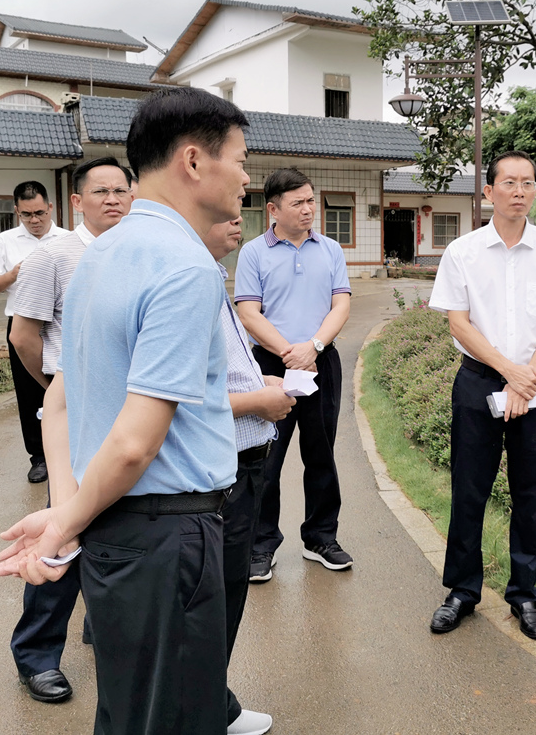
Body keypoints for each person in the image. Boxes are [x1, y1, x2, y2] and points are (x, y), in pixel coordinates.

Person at [0, 87, 251, 735]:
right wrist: (59, 530)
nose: (247, 178)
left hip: (117, 533)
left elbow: (59, 402)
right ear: (194, 161)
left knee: (132, 712)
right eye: (240, 159)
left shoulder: (98, 255)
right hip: (170, 538)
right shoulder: (186, 267)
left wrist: (70, 510)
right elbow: (137, 441)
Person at [426, 150, 536, 640]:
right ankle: (462, 591)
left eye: (528, 182)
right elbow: (459, 321)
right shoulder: (463, 252)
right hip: (479, 382)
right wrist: (508, 372)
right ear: (489, 191)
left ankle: (524, 594)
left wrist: (528, 376)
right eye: (510, 182)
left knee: (530, 492)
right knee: (469, 488)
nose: (520, 190)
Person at [6, 157, 134, 704]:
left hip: (129, 411)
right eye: (100, 191)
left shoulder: (135, 249)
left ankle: (98, 623)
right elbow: (23, 335)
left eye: (121, 190)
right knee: (65, 530)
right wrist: (60, 387)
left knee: (120, 525)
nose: (113, 199)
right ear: (77, 202)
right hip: (73, 409)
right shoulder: (53, 255)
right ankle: (35, 655)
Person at [201, 217, 296, 735]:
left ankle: (215, 701)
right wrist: (258, 400)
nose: (239, 217)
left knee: (228, 588)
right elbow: (178, 395)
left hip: (243, 459)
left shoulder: (215, 273)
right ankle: (207, 707)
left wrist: (260, 382)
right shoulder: (190, 277)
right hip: (223, 466)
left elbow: (222, 369)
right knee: (214, 595)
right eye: (228, 208)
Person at [234, 167, 352, 582]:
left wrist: (313, 347)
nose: (308, 210)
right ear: (273, 209)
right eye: (298, 203)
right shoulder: (253, 252)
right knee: (266, 459)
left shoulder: (330, 249)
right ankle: (261, 545)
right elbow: (249, 312)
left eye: (310, 201)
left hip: (322, 362)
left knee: (321, 454)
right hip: (269, 366)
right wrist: (287, 351)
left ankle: (321, 537)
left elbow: (340, 305)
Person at [0, 181, 67, 483]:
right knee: (30, 393)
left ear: (51, 208)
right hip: (23, 324)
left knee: (68, 387)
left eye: (40, 213)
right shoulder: (5, 242)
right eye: (27, 214)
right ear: (17, 211)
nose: (35, 220)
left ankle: (74, 450)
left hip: (61, 325)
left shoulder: (67, 240)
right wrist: (12, 275)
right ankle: (39, 458)